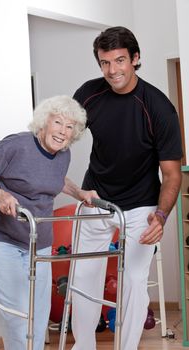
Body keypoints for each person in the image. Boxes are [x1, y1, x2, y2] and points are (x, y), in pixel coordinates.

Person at [67, 26, 183, 350]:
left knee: (133, 280)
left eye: (120, 60)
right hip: (97, 198)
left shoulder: (158, 107)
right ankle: (84, 346)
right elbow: (61, 137)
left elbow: (173, 175)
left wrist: (160, 216)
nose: (112, 70)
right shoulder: (89, 94)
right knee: (83, 276)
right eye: (105, 63)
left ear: (135, 58)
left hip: (142, 205)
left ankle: (127, 347)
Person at [0, 95, 96, 350]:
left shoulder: (63, 154)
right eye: (58, 122)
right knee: (17, 313)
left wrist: (81, 194)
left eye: (70, 127)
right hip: (2, 240)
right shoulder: (17, 145)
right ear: (44, 122)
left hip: (39, 241)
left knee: (38, 312)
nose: (62, 132)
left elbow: (57, 178)